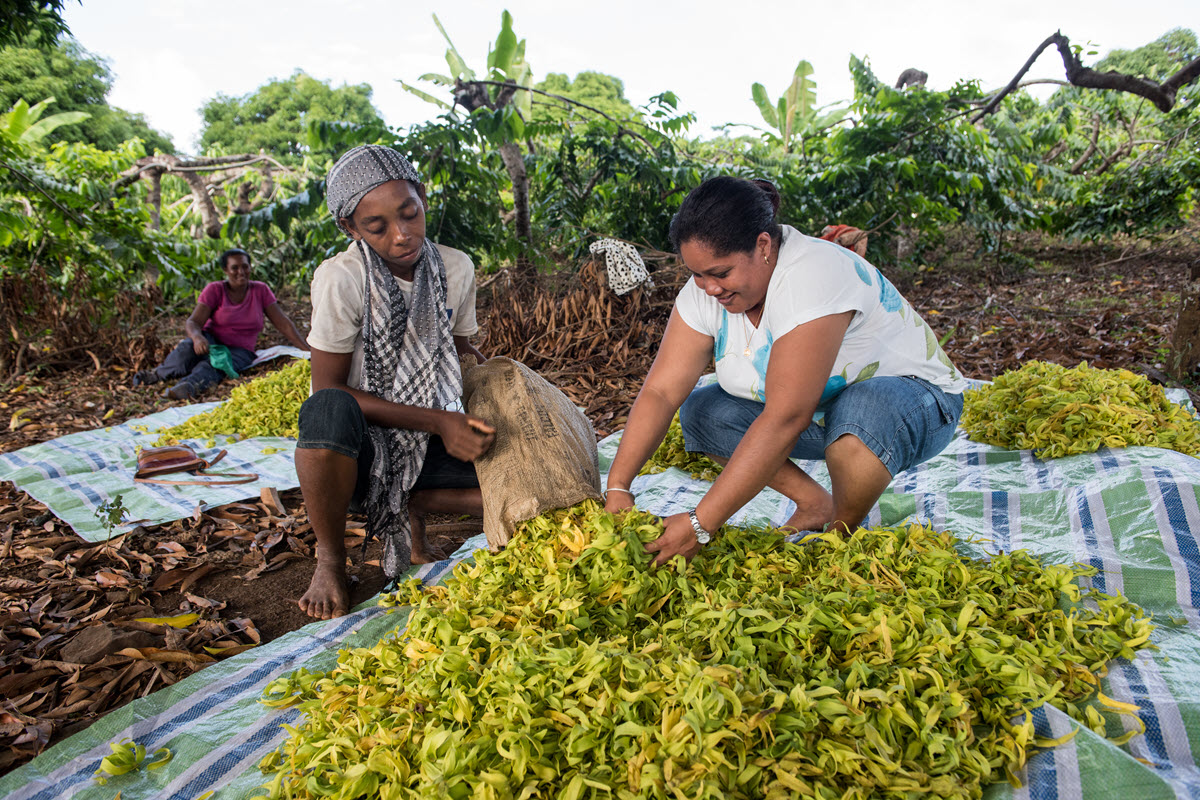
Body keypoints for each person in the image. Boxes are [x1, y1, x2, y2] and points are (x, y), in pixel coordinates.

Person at [603, 176, 967, 566]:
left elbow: (786, 416)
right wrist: (619, 486)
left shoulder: (813, 274)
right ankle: (814, 503)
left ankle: (838, 538)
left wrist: (699, 523)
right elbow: (661, 392)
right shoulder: (705, 293)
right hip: (822, 418)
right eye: (697, 274)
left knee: (861, 410)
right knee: (703, 411)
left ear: (763, 246)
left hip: (914, 407)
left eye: (721, 273)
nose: (708, 288)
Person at [295, 145, 493, 620]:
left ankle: (412, 503)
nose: (402, 236)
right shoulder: (342, 279)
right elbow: (329, 389)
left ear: (423, 198)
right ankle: (330, 558)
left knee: (525, 485)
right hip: (359, 446)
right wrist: (440, 421)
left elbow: (462, 351)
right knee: (323, 413)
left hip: (431, 432)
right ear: (351, 228)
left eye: (410, 214)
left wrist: (494, 392)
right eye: (377, 227)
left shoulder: (454, 266)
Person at [132, 248, 310, 399]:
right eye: (235, 268)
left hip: (240, 350)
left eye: (245, 267)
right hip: (211, 341)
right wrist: (197, 338)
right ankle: (155, 375)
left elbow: (283, 324)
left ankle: (186, 388)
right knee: (186, 351)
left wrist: (306, 351)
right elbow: (193, 321)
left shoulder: (260, 290)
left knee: (215, 365)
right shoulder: (215, 289)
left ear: (250, 268)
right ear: (225, 270)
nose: (241, 272)